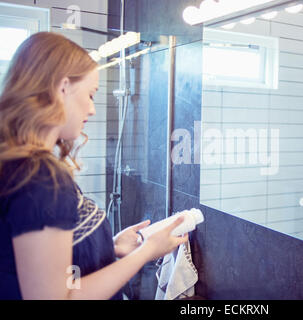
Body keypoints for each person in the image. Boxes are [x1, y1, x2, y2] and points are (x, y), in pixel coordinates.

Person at [0, 32, 188, 300]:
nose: (92, 110)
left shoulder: (19, 167)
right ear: (62, 88)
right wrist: (146, 252)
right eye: (90, 95)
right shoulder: (41, 176)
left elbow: (37, 266)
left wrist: (106, 247)